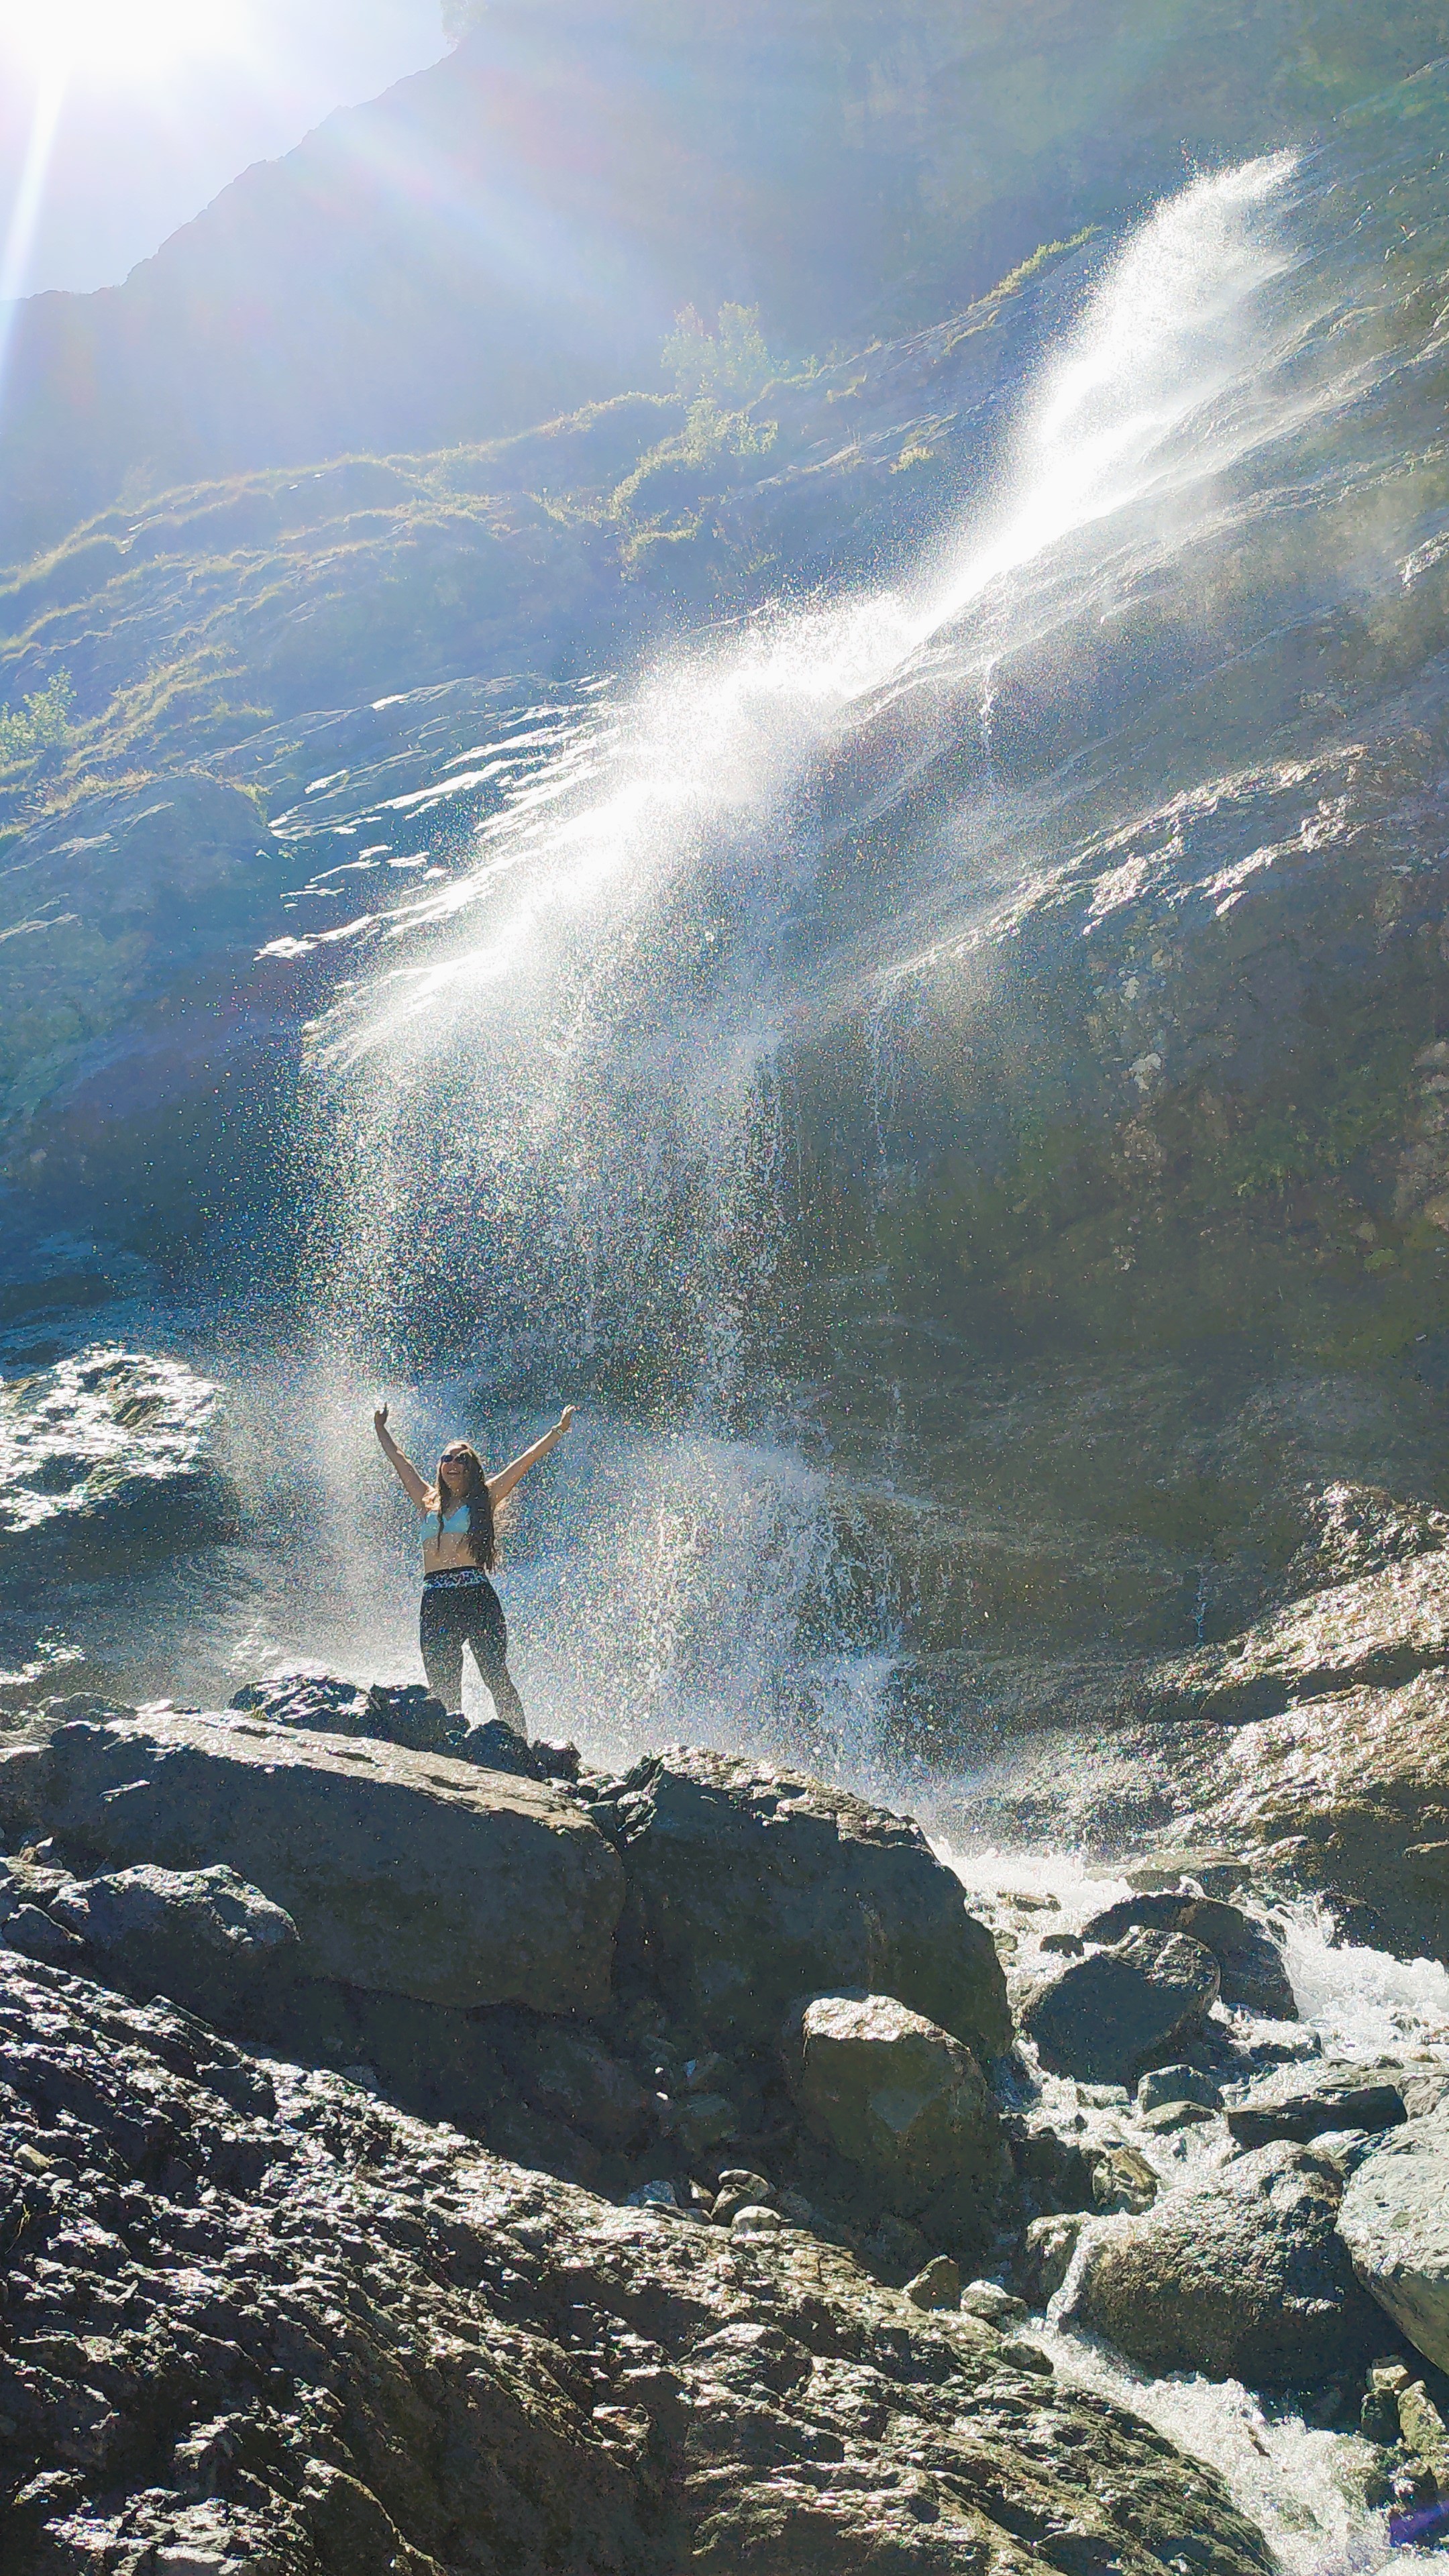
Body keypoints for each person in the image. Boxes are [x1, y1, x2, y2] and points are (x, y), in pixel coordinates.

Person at [373, 1401, 574, 1736]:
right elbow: (400, 1461)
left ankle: (520, 1743)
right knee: (442, 1686)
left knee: (495, 1675)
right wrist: (380, 1428)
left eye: (461, 1459)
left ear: (471, 1468)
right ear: (440, 1466)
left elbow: (525, 1461)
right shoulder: (427, 1500)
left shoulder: (485, 1497)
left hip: (476, 1596)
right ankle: (452, 1745)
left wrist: (559, 1429)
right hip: (436, 1600)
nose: (452, 1464)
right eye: (447, 1458)